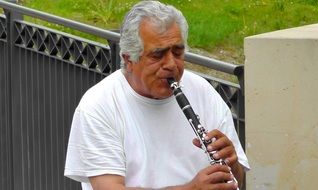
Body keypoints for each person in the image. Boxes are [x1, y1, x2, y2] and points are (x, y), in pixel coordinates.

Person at [64, 1, 250, 190]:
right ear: (129, 59)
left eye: (177, 52)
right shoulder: (99, 105)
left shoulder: (203, 92)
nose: (171, 64)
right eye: (157, 55)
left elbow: (237, 181)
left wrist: (232, 165)